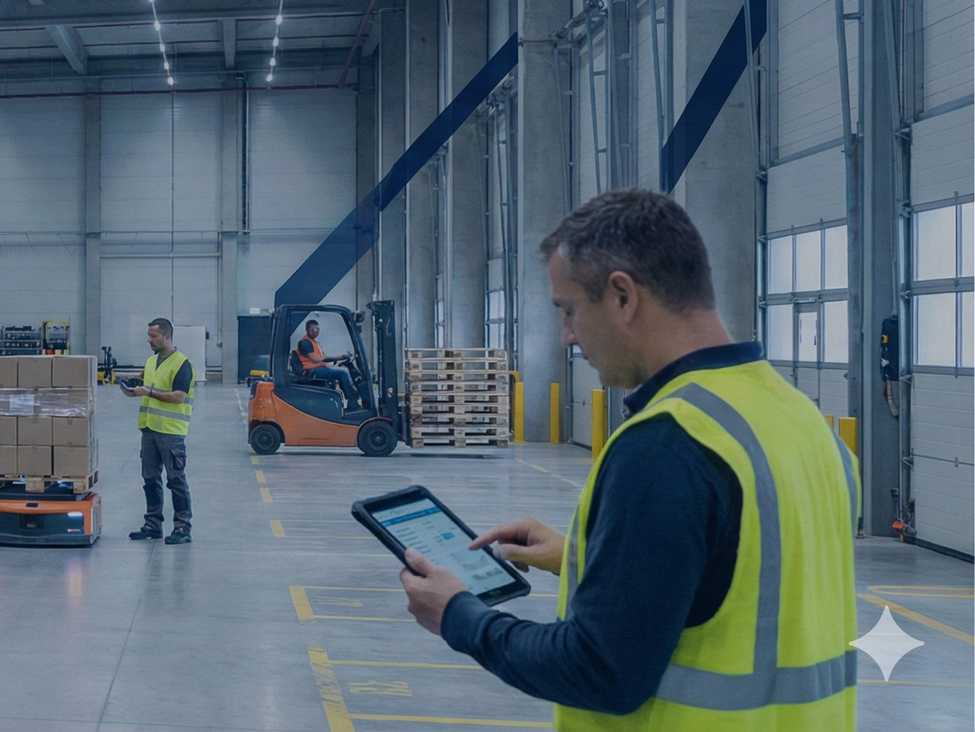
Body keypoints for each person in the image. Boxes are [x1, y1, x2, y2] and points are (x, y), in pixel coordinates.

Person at [397, 189, 859, 729]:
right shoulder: (801, 420)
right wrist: (582, 556)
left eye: (569, 310)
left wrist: (460, 617)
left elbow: (599, 670)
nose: (567, 336)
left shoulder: (668, 444)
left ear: (622, 296)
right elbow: (743, 581)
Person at [120, 318, 193, 544]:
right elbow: (146, 387)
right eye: (149, 336)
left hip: (171, 432)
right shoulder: (151, 362)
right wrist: (132, 391)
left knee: (175, 480)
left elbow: (179, 396)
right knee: (150, 479)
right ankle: (153, 524)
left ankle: (182, 527)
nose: (149, 340)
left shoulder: (182, 364)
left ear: (167, 336)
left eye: (153, 336)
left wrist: (148, 393)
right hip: (149, 430)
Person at [296, 318, 366, 410]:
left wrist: (335, 363)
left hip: (316, 369)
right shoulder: (305, 342)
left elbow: (322, 359)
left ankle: (350, 402)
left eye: (317, 328)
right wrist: (338, 357)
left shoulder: (314, 343)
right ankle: (353, 403)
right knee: (343, 373)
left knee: (341, 372)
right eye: (312, 328)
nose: (315, 331)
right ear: (307, 330)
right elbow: (316, 359)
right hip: (311, 371)